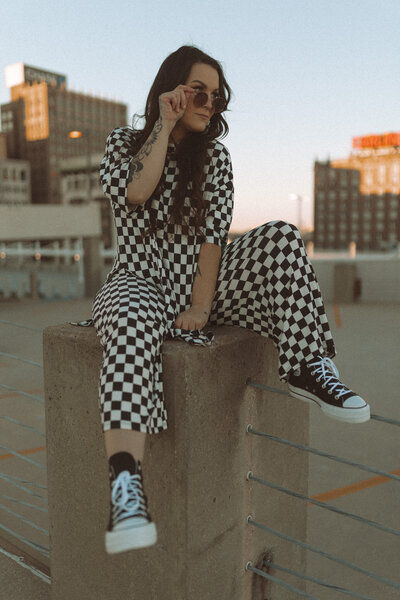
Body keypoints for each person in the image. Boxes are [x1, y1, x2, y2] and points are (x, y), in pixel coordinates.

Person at [87, 45, 370, 555]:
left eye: (217, 97)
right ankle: (126, 487)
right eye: (200, 91)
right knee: (129, 321)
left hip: (201, 285)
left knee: (282, 237)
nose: (209, 103)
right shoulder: (123, 143)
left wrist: (200, 308)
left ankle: (308, 363)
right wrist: (161, 127)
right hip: (140, 280)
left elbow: (214, 238)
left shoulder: (215, 157)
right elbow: (135, 190)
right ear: (171, 88)